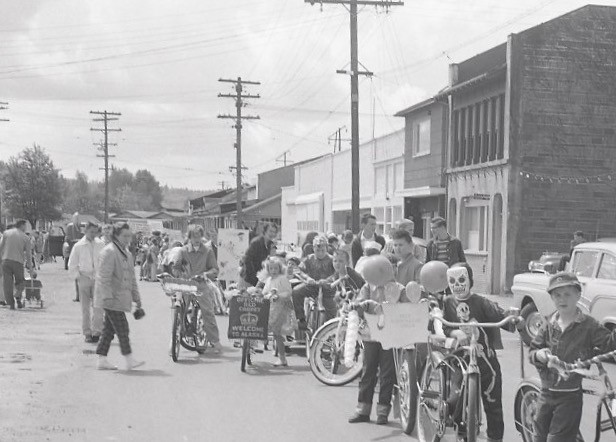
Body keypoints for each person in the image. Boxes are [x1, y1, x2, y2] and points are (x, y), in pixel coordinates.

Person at [530, 272, 616, 442]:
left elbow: (609, 343)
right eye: (557, 295)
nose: (562, 299)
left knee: (558, 439)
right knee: (538, 436)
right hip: (546, 393)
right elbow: (533, 350)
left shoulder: (589, 325)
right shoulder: (549, 324)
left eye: (567, 294)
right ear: (552, 298)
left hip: (570, 396)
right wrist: (539, 355)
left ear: (578, 295)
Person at [441, 262, 519, 442]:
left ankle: (495, 438)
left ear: (470, 279)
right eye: (452, 281)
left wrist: (514, 319)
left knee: (493, 402)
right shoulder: (448, 302)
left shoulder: (481, 302)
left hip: (485, 360)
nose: (457, 285)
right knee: (456, 400)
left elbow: (500, 315)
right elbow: (443, 326)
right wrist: (454, 332)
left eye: (461, 279)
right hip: (460, 359)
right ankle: (461, 431)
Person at [348, 255, 408, 425]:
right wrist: (358, 306)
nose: (392, 270)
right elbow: (359, 305)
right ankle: (362, 410)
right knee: (368, 372)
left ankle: (383, 412)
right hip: (371, 336)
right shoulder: (368, 287)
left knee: (387, 374)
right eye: (390, 267)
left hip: (390, 337)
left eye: (395, 267)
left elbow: (408, 307)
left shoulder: (399, 288)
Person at [95, 223, 144, 371]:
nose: (128, 239)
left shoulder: (127, 253)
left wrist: (136, 297)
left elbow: (132, 278)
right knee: (123, 328)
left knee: (109, 331)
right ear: (116, 235)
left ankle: (101, 360)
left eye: (129, 236)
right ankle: (129, 359)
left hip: (120, 298)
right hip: (111, 298)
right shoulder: (109, 251)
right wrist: (107, 296)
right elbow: (103, 277)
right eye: (125, 236)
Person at [174, 224, 223, 353]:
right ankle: (175, 338)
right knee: (180, 309)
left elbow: (214, 269)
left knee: (208, 311)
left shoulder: (208, 251)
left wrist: (205, 274)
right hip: (185, 283)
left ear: (202, 237)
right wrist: (178, 272)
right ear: (189, 237)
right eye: (194, 236)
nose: (197, 239)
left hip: (201, 283)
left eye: (199, 236)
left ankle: (215, 340)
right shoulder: (183, 251)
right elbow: (176, 267)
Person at [68, 222, 105, 343]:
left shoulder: (101, 244)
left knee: (98, 307)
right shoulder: (78, 246)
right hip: (84, 277)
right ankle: (87, 332)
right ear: (86, 231)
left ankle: (97, 331)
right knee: (85, 308)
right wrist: (78, 277)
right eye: (91, 232)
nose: (93, 235)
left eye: (95, 232)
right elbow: (72, 264)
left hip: (98, 278)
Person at [292, 235, 337, 328]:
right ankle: (301, 319)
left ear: (327, 248)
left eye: (323, 251)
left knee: (330, 306)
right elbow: (298, 270)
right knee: (296, 291)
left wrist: (327, 280)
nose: (320, 253)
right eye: (317, 250)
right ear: (313, 249)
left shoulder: (332, 260)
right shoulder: (309, 258)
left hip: (327, 289)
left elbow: (338, 273)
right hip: (312, 286)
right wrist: (307, 278)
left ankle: (329, 327)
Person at [261, 256, 295, 367]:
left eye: (276, 268)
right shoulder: (269, 280)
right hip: (271, 308)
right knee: (274, 332)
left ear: (280, 269)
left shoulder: (282, 279)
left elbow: (288, 292)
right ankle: (280, 356)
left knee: (277, 333)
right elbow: (265, 292)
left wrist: (278, 296)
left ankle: (282, 358)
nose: (274, 271)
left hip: (281, 308)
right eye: (271, 268)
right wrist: (267, 295)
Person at [0, 220, 34, 309]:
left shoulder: (6, 233)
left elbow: (0, 247)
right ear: (22, 226)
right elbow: (28, 255)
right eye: (25, 226)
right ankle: (18, 295)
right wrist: (30, 268)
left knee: (7, 284)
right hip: (18, 262)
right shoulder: (25, 237)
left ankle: (11, 304)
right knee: (21, 282)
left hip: (6, 261)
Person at [243, 222, 278, 287]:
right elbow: (247, 259)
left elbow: (271, 259)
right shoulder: (256, 242)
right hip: (248, 278)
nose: (272, 234)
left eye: (274, 232)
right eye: (270, 231)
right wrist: (254, 277)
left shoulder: (270, 244)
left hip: (259, 278)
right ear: (265, 231)